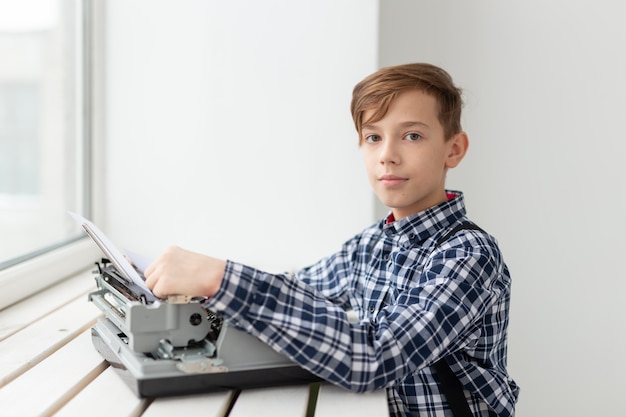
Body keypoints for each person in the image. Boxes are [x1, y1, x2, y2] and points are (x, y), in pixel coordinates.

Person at [144, 63, 520, 416]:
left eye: (412, 136)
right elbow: (299, 291)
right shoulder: (371, 244)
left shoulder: (468, 254)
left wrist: (220, 278)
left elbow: (376, 357)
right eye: (373, 137)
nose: (387, 155)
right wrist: (197, 294)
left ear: (453, 149)